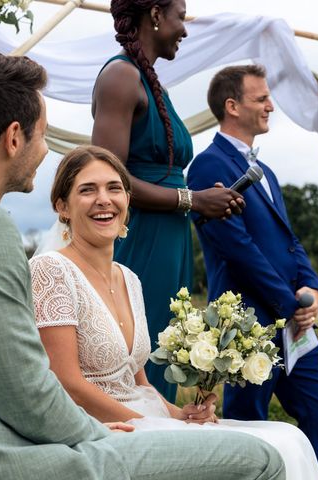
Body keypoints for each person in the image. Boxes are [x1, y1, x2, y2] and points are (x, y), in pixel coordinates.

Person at [0, 53, 284, 480]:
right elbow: (23, 392)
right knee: (260, 457)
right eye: (43, 136)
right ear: (14, 137)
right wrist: (96, 431)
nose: (44, 152)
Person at [30, 145, 318, 480]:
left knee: (289, 438)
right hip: (103, 428)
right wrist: (149, 424)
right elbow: (66, 381)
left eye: (114, 188)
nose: (104, 199)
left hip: (144, 417)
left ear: (127, 201)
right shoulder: (51, 270)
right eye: (87, 190)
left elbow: (138, 381)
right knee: (265, 450)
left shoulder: (129, 278)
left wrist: (181, 415)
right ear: (62, 207)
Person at [187, 65, 318, 479]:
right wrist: (289, 303)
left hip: (295, 325)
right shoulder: (206, 167)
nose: (271, 105)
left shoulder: (267, 171)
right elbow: (237, 248)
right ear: (232, 106)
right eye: (262, 99)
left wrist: (313, 288)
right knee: (249, 427)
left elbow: (289, 242)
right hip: (248, 323)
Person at [91, 0, 244, 402]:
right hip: (139, 237)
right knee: (139, 353)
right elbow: (107, 177)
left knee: (164, 348)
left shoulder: (150, 81)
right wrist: (192, 199)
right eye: (181, 17)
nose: (185, 29)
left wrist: (207, 200)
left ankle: (157, 443)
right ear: (156, 15)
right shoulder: (120, 78)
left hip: (171, 238)